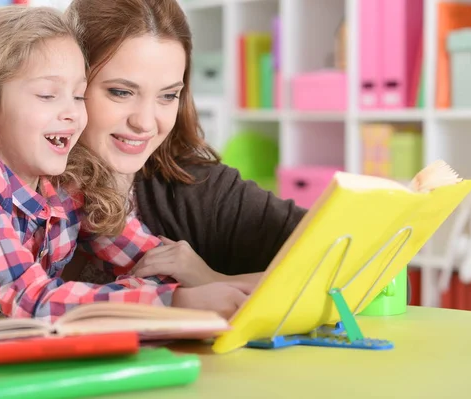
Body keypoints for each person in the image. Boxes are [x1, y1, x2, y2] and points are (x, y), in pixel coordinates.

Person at [0, 5, 248, 337]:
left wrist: (186, 289)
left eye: (78, 95)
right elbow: (33, 302)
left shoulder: (70, 183)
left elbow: (149, 262)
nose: (73, 113)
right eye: (47, 95)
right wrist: (176, 303)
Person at [61, 0, 307, 293]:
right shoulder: (16, 188)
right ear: (71, 84)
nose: (146, 123)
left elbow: (354, 259)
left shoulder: (200, 188)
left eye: (167, 96)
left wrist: (216, 281)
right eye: (121, 92)